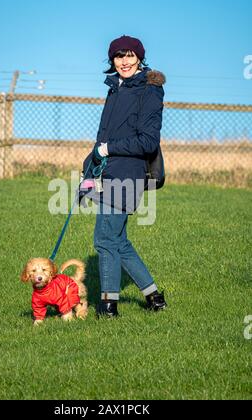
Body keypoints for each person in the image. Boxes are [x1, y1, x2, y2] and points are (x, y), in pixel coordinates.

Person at [81, 35, 167, 318]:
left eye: (130, 56)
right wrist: (88, 172)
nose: (125, 62)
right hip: (106, 172)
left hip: (128, 175)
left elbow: (147, 141)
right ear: (112, 61)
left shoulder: (149, 89)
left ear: (139, 57)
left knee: (104, 240)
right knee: (118, 240)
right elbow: (101, 139)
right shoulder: (115, 88)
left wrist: (108, 149)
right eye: (119, 57)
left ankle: (108, 307)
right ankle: (154, 297)